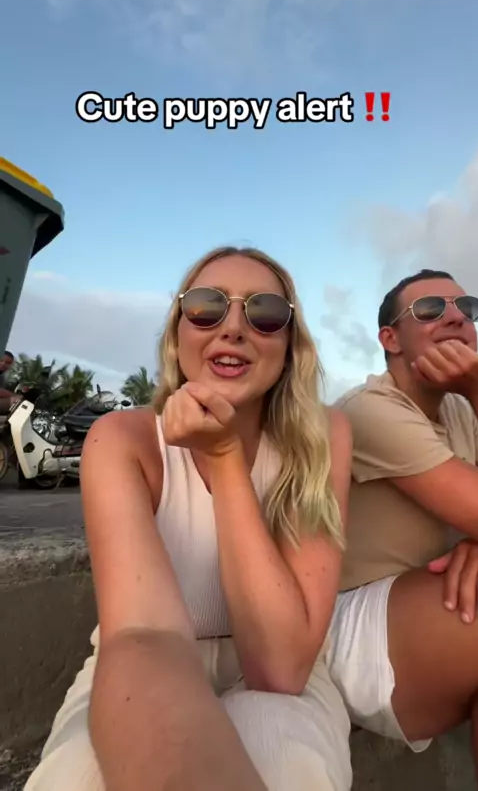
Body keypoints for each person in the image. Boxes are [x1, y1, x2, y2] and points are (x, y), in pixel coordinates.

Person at [25, 246, 353, 791]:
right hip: (138, 661)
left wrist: (224, 459)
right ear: (178, 334)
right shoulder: (122, 439)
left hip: (282, 671)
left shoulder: (324, 437)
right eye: (206, 306)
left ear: (290, 345)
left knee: (289, 765)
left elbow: (280, 669)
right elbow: (143, 637)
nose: (234, 327)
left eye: (265, 312)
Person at [325, 268, 478, 785]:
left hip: (427, 611)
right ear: (390, 339)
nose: (456, 318)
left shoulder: (459, 410)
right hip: (348, 629)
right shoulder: (370, 411)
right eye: (431, 309)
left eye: (468, 309)